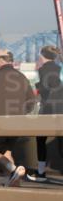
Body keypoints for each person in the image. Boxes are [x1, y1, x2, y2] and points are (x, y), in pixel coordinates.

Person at [0, 50, 37, 187]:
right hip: (17, 122)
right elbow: (31, 100)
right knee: (7, 151)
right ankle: (14, 183)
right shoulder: (22, 76)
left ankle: (13, 169)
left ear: (0, 60)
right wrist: (21, 113)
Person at [30, 45, 63, 182]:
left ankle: (41, 172)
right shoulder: (59, 67)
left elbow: (46, 88)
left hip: (49, 109)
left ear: (42, 56)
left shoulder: (43, 69)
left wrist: (37, 87)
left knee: (41, 139)